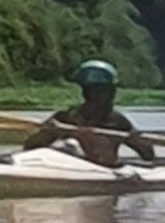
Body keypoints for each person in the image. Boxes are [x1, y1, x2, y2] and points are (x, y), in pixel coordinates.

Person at [28, 61, 157, 168]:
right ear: (87, 94)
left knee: (103, 149)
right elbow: (31, 147)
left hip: (104, 171)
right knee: (69, 145)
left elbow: (148, 154)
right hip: (72, 169)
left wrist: (134, 138)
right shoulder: (67, 118)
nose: (109, 97)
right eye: (97, 93)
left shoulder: (117, 122)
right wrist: (48, 132)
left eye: (107, 92)